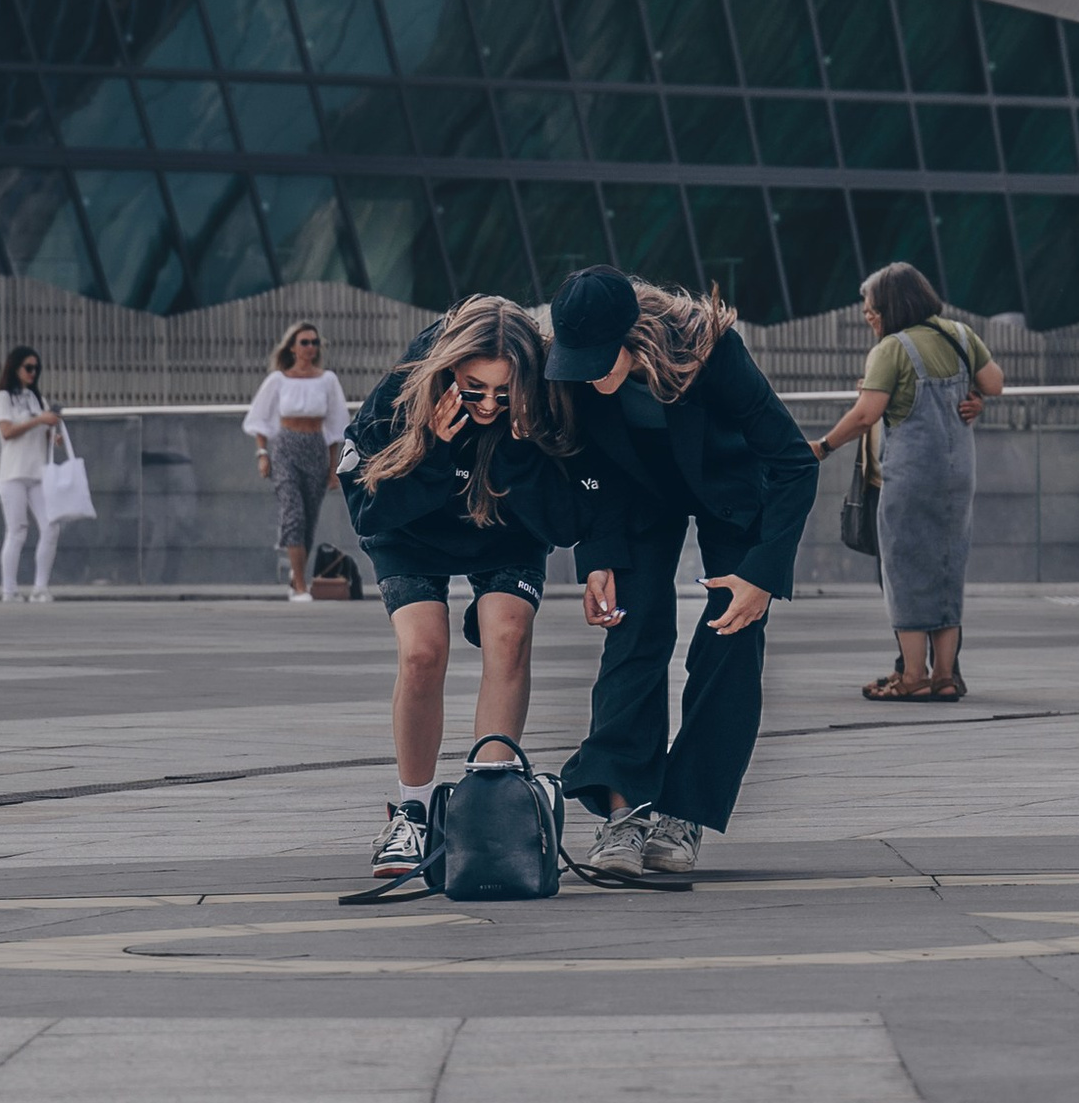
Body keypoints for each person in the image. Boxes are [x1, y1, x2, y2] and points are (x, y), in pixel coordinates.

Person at [547, 264, 819, 886]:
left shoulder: (712, 353)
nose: (587, 374)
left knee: (731, 634)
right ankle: (623, 810)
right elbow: (589, 467)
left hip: (727, 490)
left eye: (598, 360)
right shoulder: (577, 372)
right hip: (641, 496)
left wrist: (762, 574)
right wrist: (598, 560)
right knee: (633, 628)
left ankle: (682, 814)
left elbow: (794, 464)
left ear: (634, 338)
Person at [341, 297, 578, 888]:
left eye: (505, 391)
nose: (491, 405)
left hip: (505, 526)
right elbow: (371, 516)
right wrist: (433, 452)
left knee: (508, 634)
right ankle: (412, 813)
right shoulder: (401, 394)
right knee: (423, 650)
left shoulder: (545, 402)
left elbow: (567, 526)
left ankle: (487, 809)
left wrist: (525, 451)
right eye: (475, 390)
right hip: (413, 527)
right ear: (449, 371)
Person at [813, 263, 1000, 700]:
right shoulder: (960, 334)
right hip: (958, 478)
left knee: (903, 571)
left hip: (909, 479)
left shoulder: (891, 349)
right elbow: (995, 383)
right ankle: (946, 677)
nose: (867, 315)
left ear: (892, 305)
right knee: (948, 570)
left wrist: (822, 447)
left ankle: (913, 677)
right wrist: (970, 397)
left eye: (871, 307)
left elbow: (865, 415)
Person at [243, 321, 352, 602]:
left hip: (315, 447)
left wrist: (333, 469)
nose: (311, 347)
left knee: (309, 519)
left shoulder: (327, 380)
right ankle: (300, 585)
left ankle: (297, 572)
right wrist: (262, 454)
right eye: (305, 342)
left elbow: (335, 428)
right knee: (293, 514)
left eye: (315, 342)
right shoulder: (278, 380)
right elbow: (259, 419)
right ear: (292, 346)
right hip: (286, 448)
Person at [0, 347, 68, 606]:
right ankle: (9, 590)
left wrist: (51, 434)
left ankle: (40, 587)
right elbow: (7, 431)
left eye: (36, 368)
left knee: (51, 526)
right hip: (13, 473)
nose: (32, 373)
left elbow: (40, 429)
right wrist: (38, 420)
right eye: (28, 368)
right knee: (17, 531)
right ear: (16, 368)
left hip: (37, 472)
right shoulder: (4, 398)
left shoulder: (36, 399)